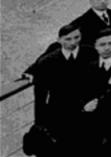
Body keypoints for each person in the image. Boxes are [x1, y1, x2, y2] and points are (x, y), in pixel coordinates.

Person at [32, 23, 96, 156]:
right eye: (68, 39)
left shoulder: (91, 53)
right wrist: (39, 123)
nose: (73, 42)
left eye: (77, 37)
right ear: (59, 40)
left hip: (89, 111)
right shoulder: (47, 62)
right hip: (60, 114)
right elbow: (40, 96)